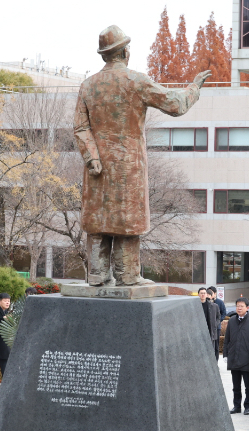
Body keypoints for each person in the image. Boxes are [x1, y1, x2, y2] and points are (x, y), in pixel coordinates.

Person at [74, 25, 210, 286]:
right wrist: (194, 87)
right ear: (125, 51)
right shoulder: (136, 81)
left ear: (104, 55)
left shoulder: (88, 86)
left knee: (99, 220)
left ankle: (97, 274)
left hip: (97, 168)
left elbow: (80, 128)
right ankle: (127, 275)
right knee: (127, 221)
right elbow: (175, 104)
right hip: (128, 166)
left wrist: (92, 158)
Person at [224, 298, 249, 415]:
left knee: (248, 385)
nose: (239, 308)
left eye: (241, 306)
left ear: (247, 308)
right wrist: (225, 354)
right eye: (237, 306)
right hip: (234, 357)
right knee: (235, 385)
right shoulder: (232, 321)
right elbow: (227, 339)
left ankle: (247, 405)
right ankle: (236, 405)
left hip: (247, 358)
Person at [207, 286, 226, 361]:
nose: (209, 294)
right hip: (208, 327)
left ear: (214, 293)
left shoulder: (219, 302)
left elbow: (223, 313)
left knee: (216, 346)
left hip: (216, 328)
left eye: (211, 293)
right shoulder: (205, 303)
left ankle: (216, 361)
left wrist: (217, 323)